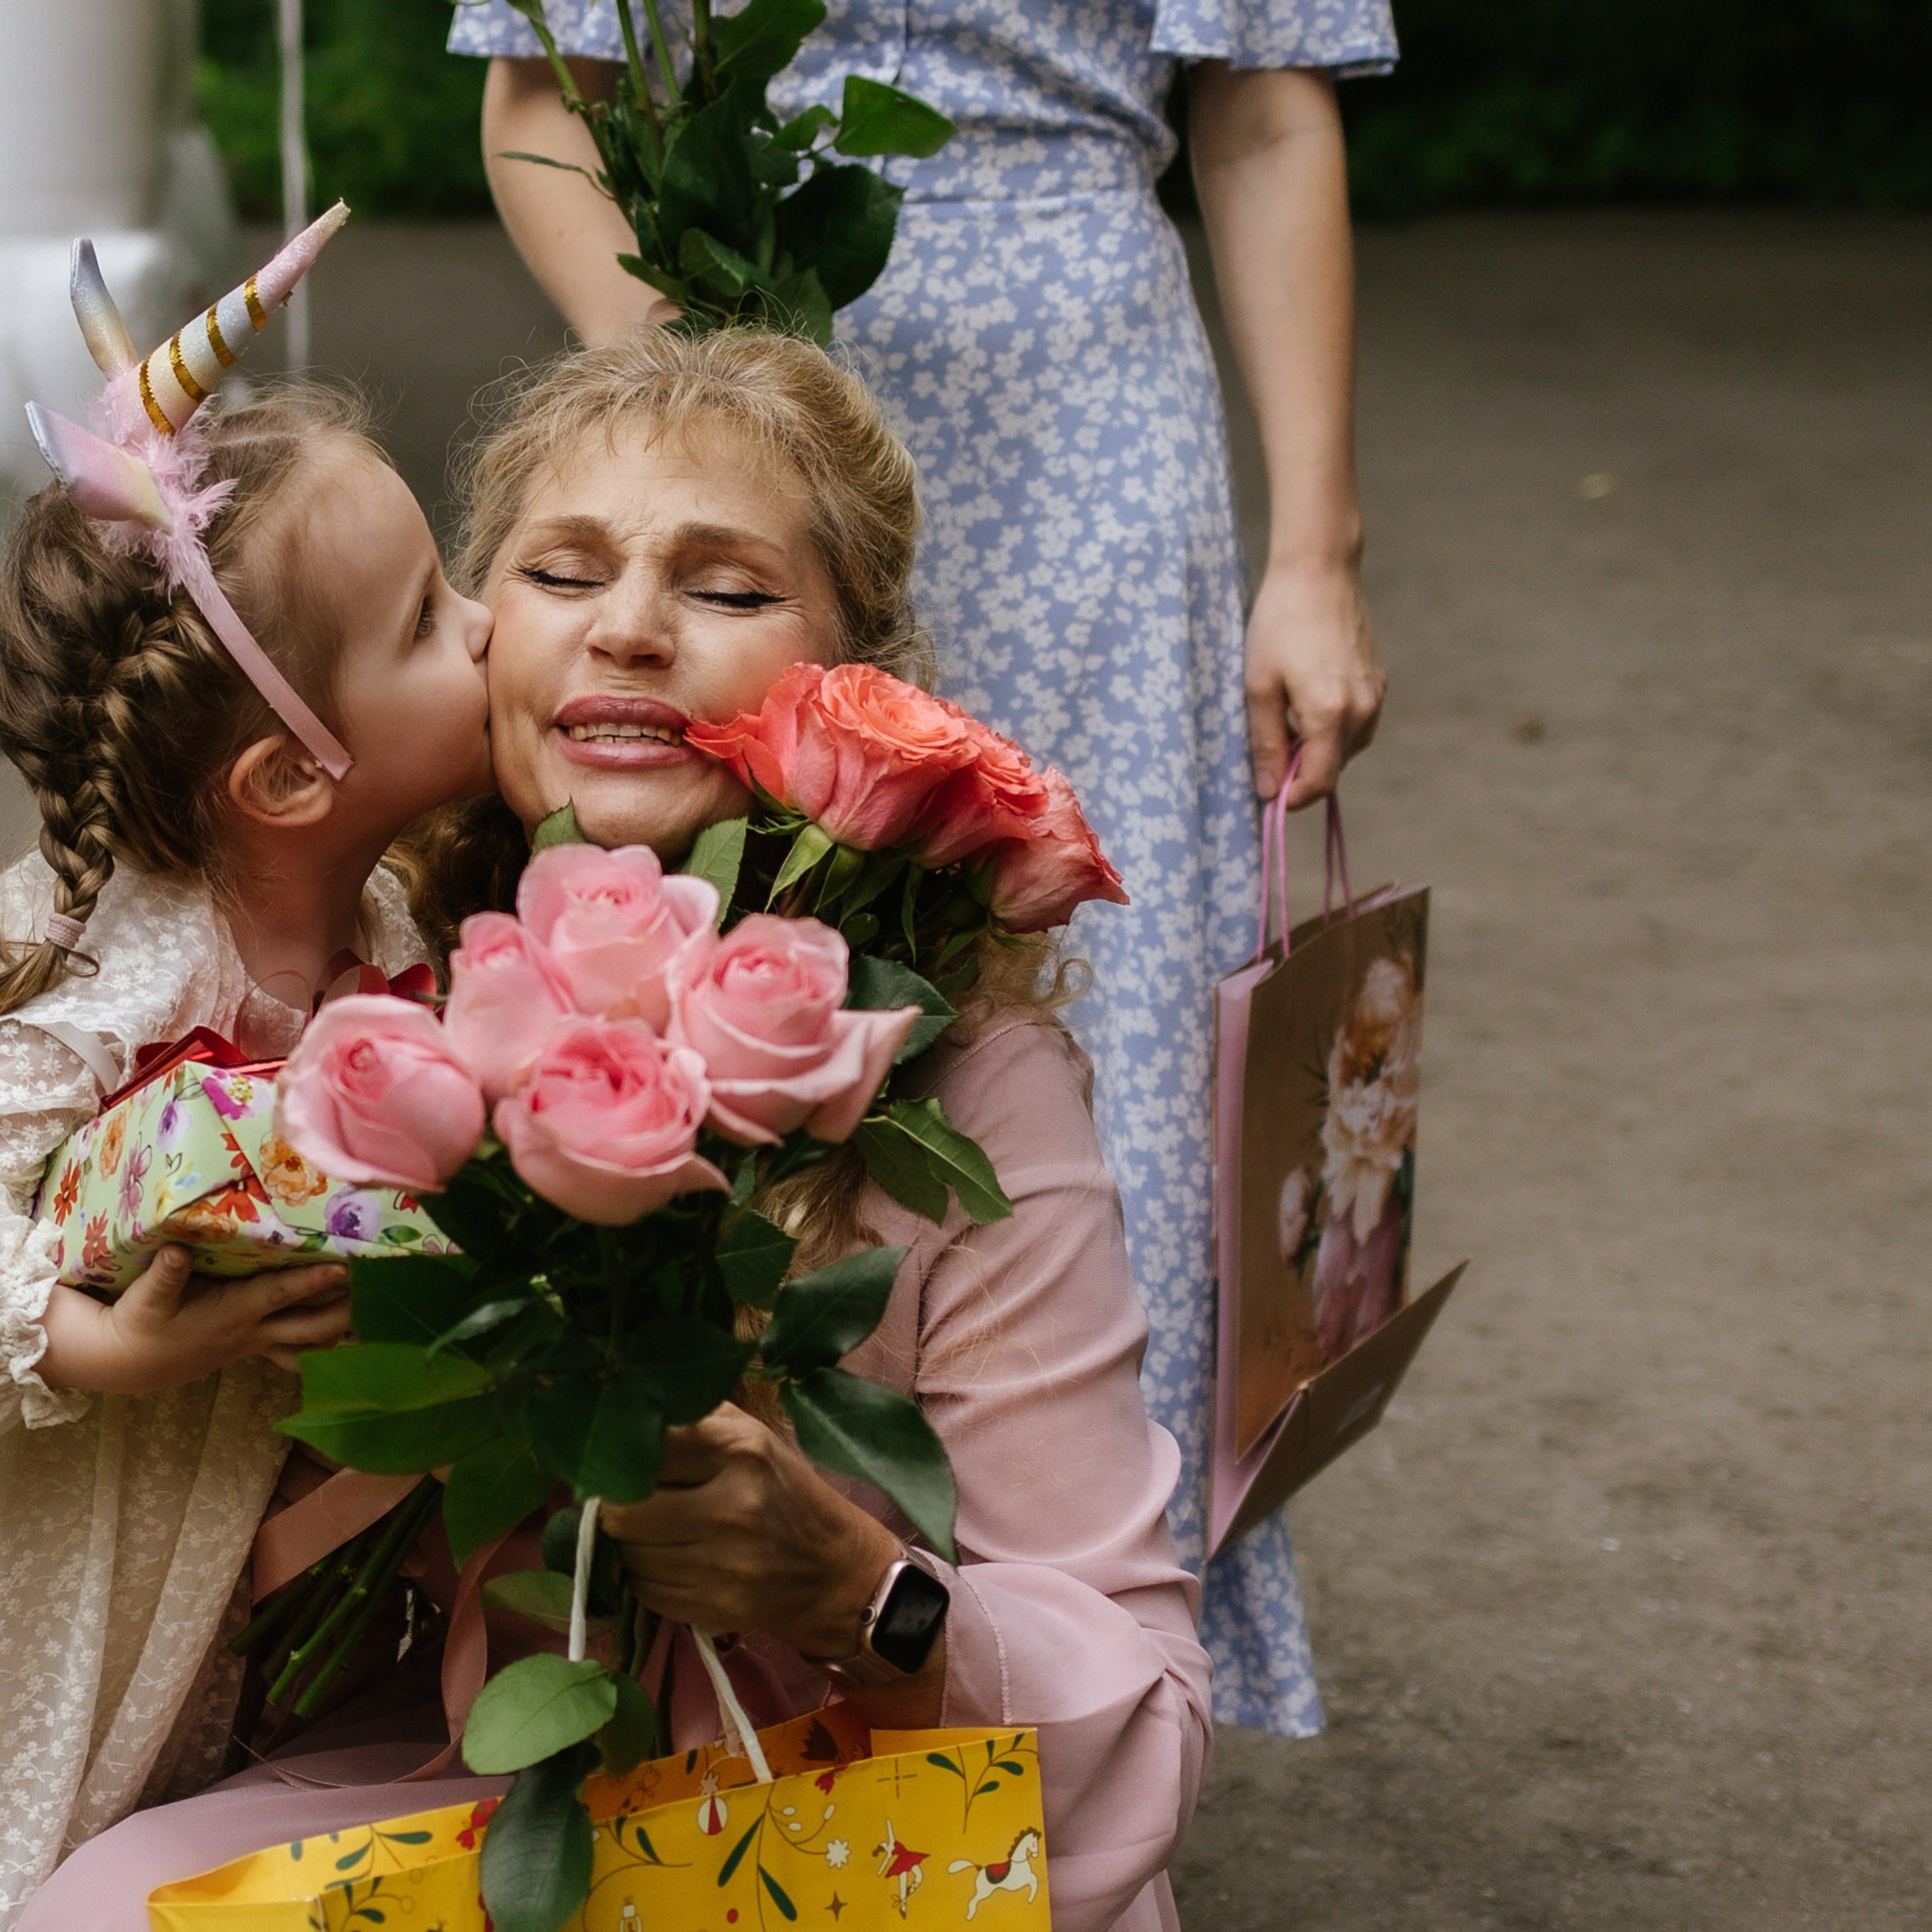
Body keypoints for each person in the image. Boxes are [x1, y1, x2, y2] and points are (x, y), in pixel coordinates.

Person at [25, 328, 1212, 1932]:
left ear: (856, 684)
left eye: (726, 589)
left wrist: (852, 1585)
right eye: (559, 573)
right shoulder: (386, 1022)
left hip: (868, 1828)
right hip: (508, 1780)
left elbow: (1155, 1726)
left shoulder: (968, 1087)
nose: (632, 628)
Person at [451, 0, 1395, 1730]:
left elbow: (1263, 113)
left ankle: (1083, 1677)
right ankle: (679, 1629)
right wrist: (688, 390)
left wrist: (1314, 549)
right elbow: (543, 83)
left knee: (1095, 1054)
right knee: (697, 957)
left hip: (1087, 434)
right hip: (736, 399)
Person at [0, 226, 495, 1927]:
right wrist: (99, 1344)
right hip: (74, 1542)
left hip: (229, 1547)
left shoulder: (379, 919)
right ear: (292, 776)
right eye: (430, 618)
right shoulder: (123, 975)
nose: (490, 629)